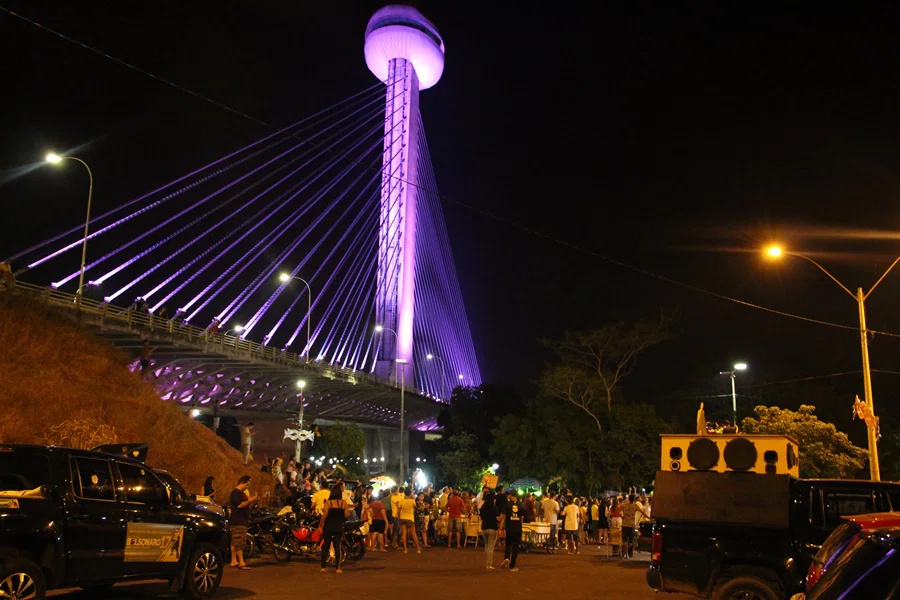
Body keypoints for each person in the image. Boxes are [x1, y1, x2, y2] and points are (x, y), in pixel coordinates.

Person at [317, 482, 351, 573]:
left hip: (328, 526)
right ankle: (338, 568)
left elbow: (324, 515)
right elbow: (347, 515)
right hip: (338, 526)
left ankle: (323, 567)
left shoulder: (328, 502)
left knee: (326, 546)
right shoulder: (343, 503)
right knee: (337, 546)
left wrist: (320, 525)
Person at [228, 475, 257, 569]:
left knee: (235, 541)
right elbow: (240, 505)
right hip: (239, 521)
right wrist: (250, 500)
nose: (247, 487)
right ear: (243, 483)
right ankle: (241, 562)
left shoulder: (238, 493)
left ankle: (233, 560)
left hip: (236, 520)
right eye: (247, 485)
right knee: (240, 541)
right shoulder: (236, 493)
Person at [498, 489, 522, 571]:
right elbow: (522, 517)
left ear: (511, 495)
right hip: (518, 528)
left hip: (509, 527)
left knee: (508, 544)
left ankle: (507, 557)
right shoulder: (520, 505)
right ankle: (512, 565)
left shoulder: (507, 505)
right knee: (516, 547)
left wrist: (501, 528)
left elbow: (503, 517)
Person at [479, 490, 499, 569]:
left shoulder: (483, 508)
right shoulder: (494, 508)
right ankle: (489, 563)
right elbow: (497, 518)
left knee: (486, 546)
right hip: (492, 528)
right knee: (491, 547)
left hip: (484, 527)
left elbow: (481, 517)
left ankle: (487, 562)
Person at [397, 488, 420, 554]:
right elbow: (416, 508)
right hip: (410, 518)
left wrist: (399, 519)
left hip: (402, 517)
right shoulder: (412, 501)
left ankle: (405, 549)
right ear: (410, 493)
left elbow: (398, 511)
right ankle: (418, 548)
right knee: (413, 533)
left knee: (404, 534)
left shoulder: (401, 501)